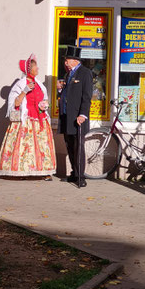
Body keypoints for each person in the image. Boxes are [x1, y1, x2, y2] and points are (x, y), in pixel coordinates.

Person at [0, 53, 56, 179]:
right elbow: (15, 103)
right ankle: (21, 171)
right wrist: (24, 91)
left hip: (40, 119)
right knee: (25, 146)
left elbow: (44, 99)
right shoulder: (20, 84)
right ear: (30, 69)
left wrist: (44, 105)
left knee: (41, 146)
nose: (38, 69)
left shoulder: (39, 84)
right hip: (26, 120)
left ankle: (43, 172)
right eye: (36, 67)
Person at [58, 45, 93, 187]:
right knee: (70, 145)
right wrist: (61, 91)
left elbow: (87, 96)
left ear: (76, 60)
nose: (65, 62)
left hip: (78, 117)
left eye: (68, 59)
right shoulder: (68, 74)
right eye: (66, 59)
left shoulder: (85, 73)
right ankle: (74, 173)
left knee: (78, 146)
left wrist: (83, 114)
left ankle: (81, 176)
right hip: (66, 115)